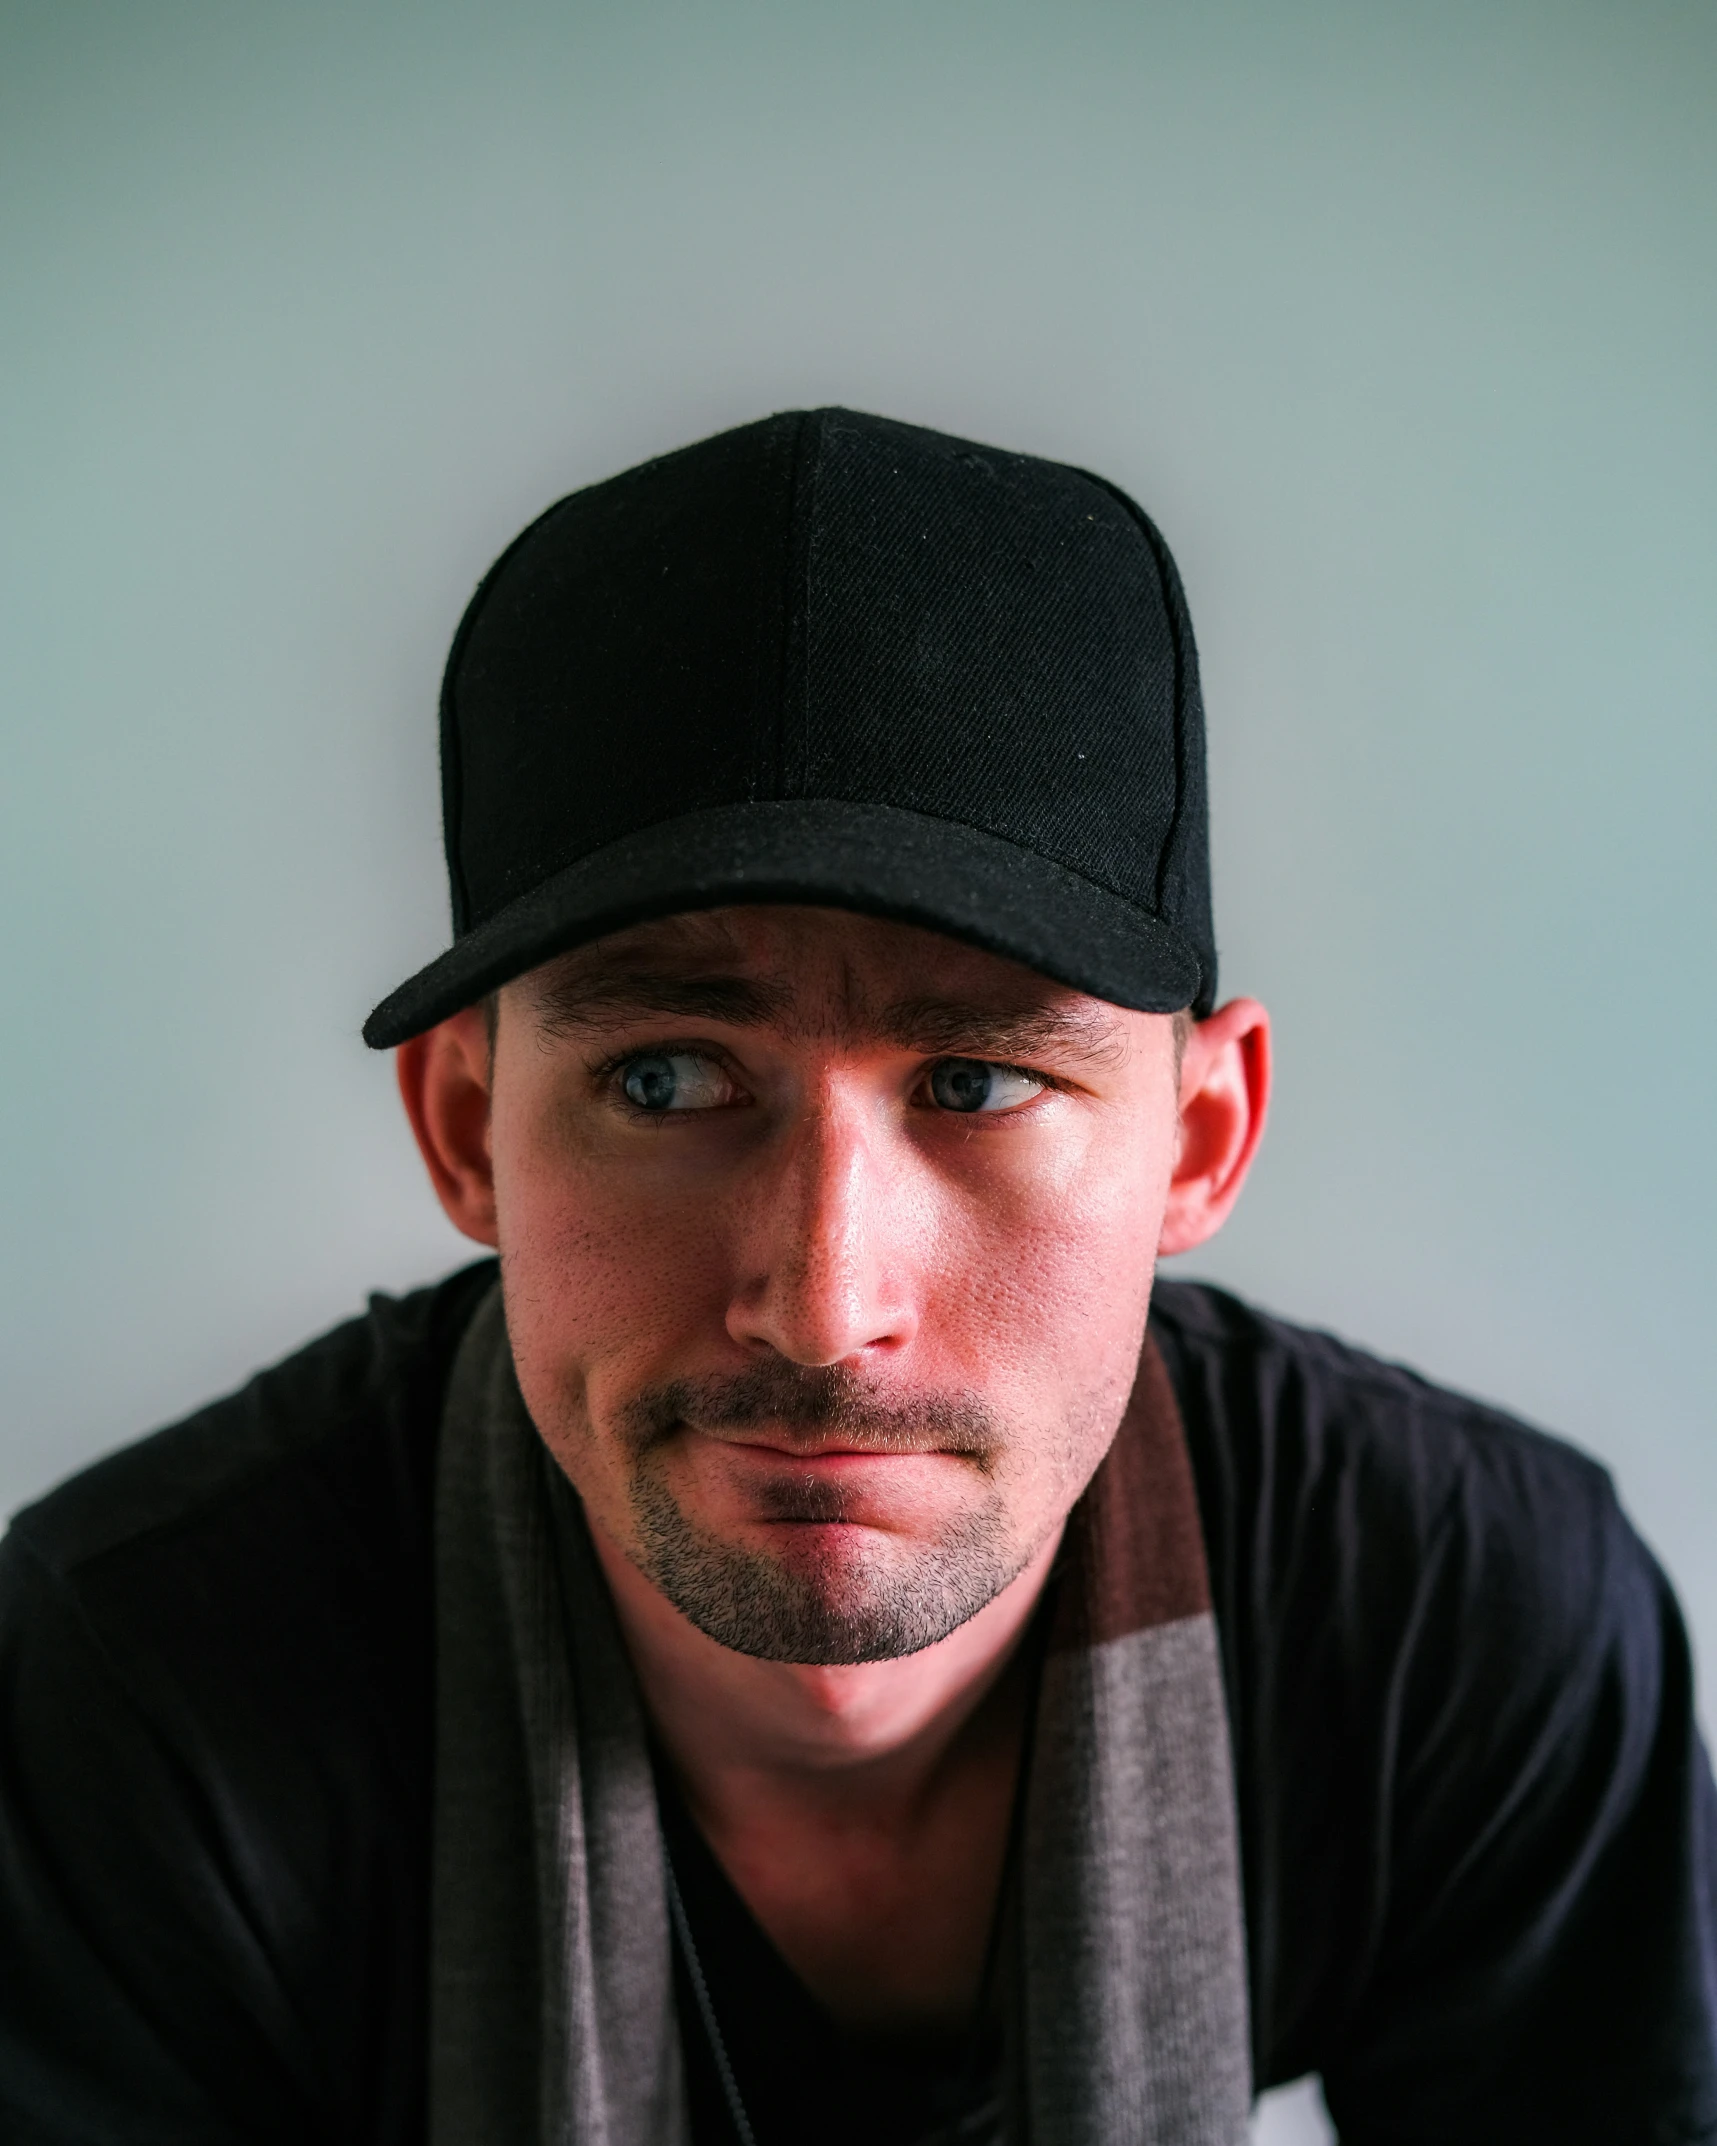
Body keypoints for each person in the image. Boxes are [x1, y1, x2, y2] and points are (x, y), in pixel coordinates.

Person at [1, 409, 1712, 2146]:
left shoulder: (1457, 1625)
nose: (824, 1304)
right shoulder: (141, 1692)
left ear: (1199, 1142)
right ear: (467, 1129)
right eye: (667, 1077)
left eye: (976, 1083)